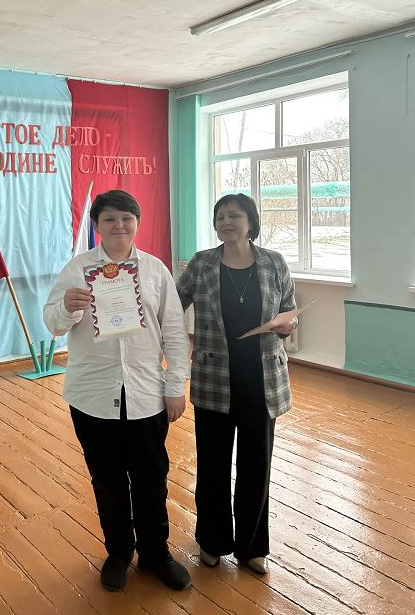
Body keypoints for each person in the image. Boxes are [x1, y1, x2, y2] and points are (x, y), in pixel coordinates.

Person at [44, 189, 191, 593]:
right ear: (97, 225)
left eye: (127, 218)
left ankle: (156, 554)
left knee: (151, 478)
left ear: (137, 223)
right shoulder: (77, 269)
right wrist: (68, 307)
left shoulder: (155, 270)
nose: (119, 226)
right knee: (106, 479)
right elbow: (53, 324)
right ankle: (119, 553)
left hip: (146, 393)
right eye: (109, 219)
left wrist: (175, 385)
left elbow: (174, 331)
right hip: (92, 396)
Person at [176, 193, 297, 575]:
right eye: (221, 217)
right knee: (212, 465)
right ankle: (212, 541)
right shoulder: (202, 263)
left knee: (256, 467)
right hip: (214, 379)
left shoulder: (274, 262)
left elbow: (289, 310)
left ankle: (252, 547)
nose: (227, 222)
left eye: (234, 215)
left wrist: (289, 324)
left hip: (262, 381)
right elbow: (172, 305)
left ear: (250, 222)